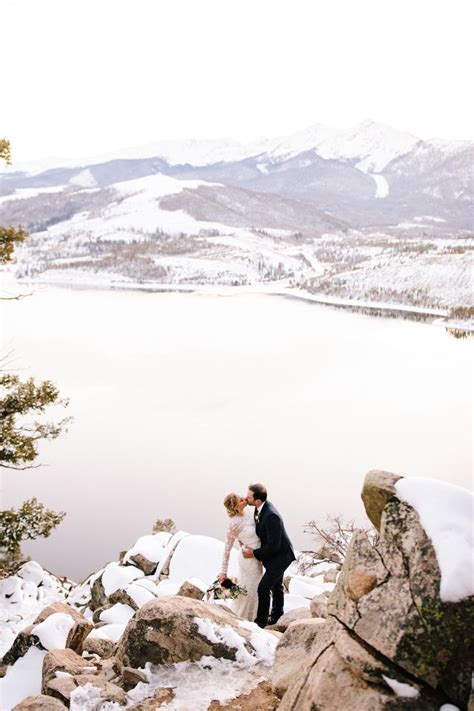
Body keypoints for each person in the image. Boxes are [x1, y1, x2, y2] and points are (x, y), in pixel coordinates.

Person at [242, 483, 295, 628]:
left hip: (281, 556)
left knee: (263, 588)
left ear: (257, 501)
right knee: (276, 586)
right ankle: (277, 615)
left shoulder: (271, 516)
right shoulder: (259, 508)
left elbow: (274, 546)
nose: (246, 498)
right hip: (274, 556)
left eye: (248, 497)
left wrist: (253, 553)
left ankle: (260, 622)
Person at [219, 493, 263, 621]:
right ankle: (243, 620)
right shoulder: (233, 524)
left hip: (257, 557)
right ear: (235, 507)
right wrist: (223, 572)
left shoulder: (249, 512)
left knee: (256, 589)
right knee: (248, 590)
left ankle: (257, 618)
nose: (244, 499)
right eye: (241, 500)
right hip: (247, 560)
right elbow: (226, 550)